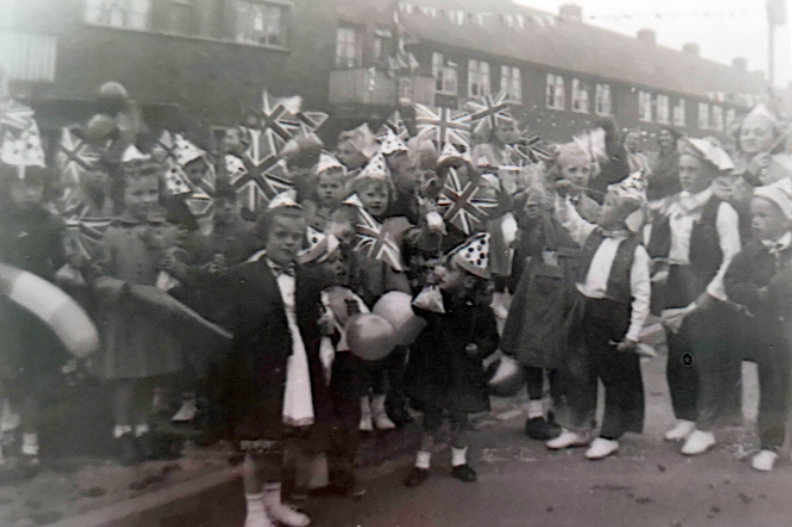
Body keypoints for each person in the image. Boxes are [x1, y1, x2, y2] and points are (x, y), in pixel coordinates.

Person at [219, 193, 330, 527]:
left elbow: (312, 325)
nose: (289, 242)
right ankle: (254, 511)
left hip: (298, 369)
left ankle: (274, 501)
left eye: (296, 237)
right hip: (261, 371)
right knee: (259, 443)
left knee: (284, 439)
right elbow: (232, 327)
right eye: (281, 234)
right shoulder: (244, 276)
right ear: (265, 236)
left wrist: (324, 327)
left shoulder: (309, 278)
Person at [647, 138, 743, 456]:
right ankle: (685, 416)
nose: (686, 175)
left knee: (706, 358)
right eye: (683, 169)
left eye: (693, 170)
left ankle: (706, 425)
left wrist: (712, 293)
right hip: (677, 282)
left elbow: (732, 257)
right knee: (680, 354)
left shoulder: (721, 209)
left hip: (705, 286)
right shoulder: (676, 205)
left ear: (708, 173)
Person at [547, 173, 651, 460]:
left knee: (615, 377)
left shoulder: (636, 252)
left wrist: (633, 333)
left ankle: (610, 433)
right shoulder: (593, 234)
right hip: (584, 309)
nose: (600, 210)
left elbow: (642, 296)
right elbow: (571, 221)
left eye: (607, 206)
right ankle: (579, 427)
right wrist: (561, 198)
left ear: (623, 218)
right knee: (577, 370)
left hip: (614, 314)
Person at [92, 159, 186, 465]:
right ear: (123, 197)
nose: (146, 200)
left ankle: (142, 427)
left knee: (148, 375)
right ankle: (123, 432)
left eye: (151, 192)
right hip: (124, 316)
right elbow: (98, 276)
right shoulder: (112, 234)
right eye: (137, 194)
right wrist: (119, 288)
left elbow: (171, 265)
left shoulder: (163, 231)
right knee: (126, 378)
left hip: (151, 315)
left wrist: (163, 252)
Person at [404, 233, 499, 486]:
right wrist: (429, 285)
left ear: (468, 281)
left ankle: (459, 461)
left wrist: (477, 349)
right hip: (434, 367)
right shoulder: (437, 298)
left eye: (450, 269)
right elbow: (417, 307)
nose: (442, 271)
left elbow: (491, 339)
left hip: (463, 372)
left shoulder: (481, 312)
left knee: (460, 417)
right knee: (431, 416)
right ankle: (421, 463)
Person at [0, 164, 69, 468]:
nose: (27, 193)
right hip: (6, 311)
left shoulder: (52, 223)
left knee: (30, 378)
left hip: (36, 311)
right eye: (20, 186)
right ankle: (6, 433)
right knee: (7, 375)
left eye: (34, 186)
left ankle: (31, 443)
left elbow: (61, 262)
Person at [500, 184, 578, 440]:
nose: (531, 210)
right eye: (528, 207)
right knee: (532, 350)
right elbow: (526, 249)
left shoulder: (571, 215)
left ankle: (557, 407)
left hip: (563, 286)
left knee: (560, 350)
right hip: (535, 290)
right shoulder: (529, 231)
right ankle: (535, 412)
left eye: (535, 206)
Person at [724, 180, 792, 472]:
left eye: (765, 215)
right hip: (770, 336)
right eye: (753, 215)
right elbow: (732, 283)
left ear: (786, 218)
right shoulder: (750, 253)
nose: (756, 221)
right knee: (773, 389)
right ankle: (770, 444)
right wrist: (757, 294)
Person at [648, 126, 682, 202]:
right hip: (656, 195)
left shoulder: (677, 155)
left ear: (673, 138)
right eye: (661, 135)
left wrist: (650, 179)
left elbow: (673, 176)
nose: (663, 138)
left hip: (671, 195)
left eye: (667, 135)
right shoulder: (659, 155)